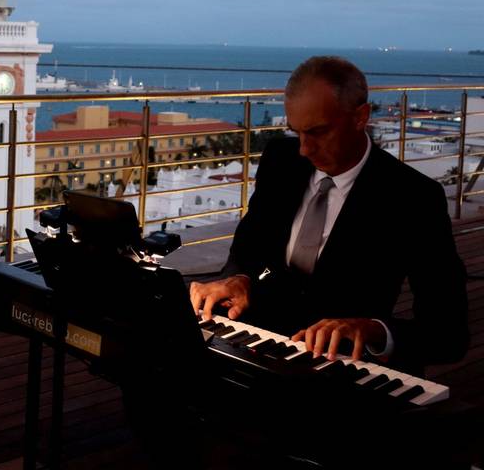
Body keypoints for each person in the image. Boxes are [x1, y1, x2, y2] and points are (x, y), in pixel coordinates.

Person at [190, 56, 468, 373]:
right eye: (297, 132)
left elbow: (450, 334)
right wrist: (239, 279)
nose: (305, 150)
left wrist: (375, 331)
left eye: (319, 133)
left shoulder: (412, 198)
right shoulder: (281, 160)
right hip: (255, 343)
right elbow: (248, 247)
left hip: (340, 365)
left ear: (360, 117)